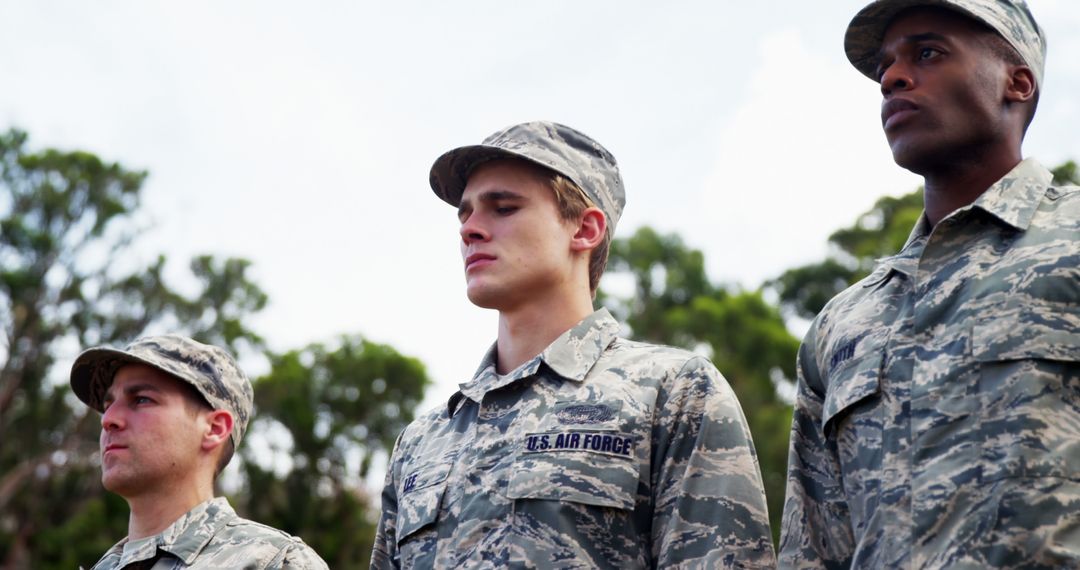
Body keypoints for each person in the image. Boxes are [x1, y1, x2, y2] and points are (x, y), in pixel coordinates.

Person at [371, 121, 775, 568]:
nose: (470, 230)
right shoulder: (421, 442)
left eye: (502, 208)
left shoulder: (672, 392)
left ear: (584, 229)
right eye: (464, 214)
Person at [780, 0, 1079, 568]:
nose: (892, 77)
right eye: (886, 67)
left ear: (1016, 83)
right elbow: (814, 550)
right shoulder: (841, 325)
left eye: (928, 53)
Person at [70, 335, 328, 570]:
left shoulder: (275, 562)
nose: (109, 419)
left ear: (214, 428)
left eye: (141, 399)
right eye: (108, 405)